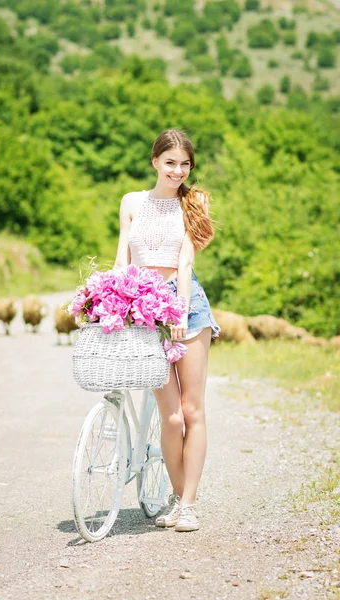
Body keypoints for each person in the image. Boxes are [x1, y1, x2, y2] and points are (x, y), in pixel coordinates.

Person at [114, 129, 220, 532]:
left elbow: (186, 263)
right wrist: (108, 300)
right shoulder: (132, 202)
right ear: (155, 161)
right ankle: (178, 500)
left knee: (193, 411)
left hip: (185, 306)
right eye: (170, 162)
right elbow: (123, 256)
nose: (178, 171)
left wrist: (178, 310)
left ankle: (188, 505)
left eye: (185, 164)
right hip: (144, 308)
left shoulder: (195, 202)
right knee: (171, 416)